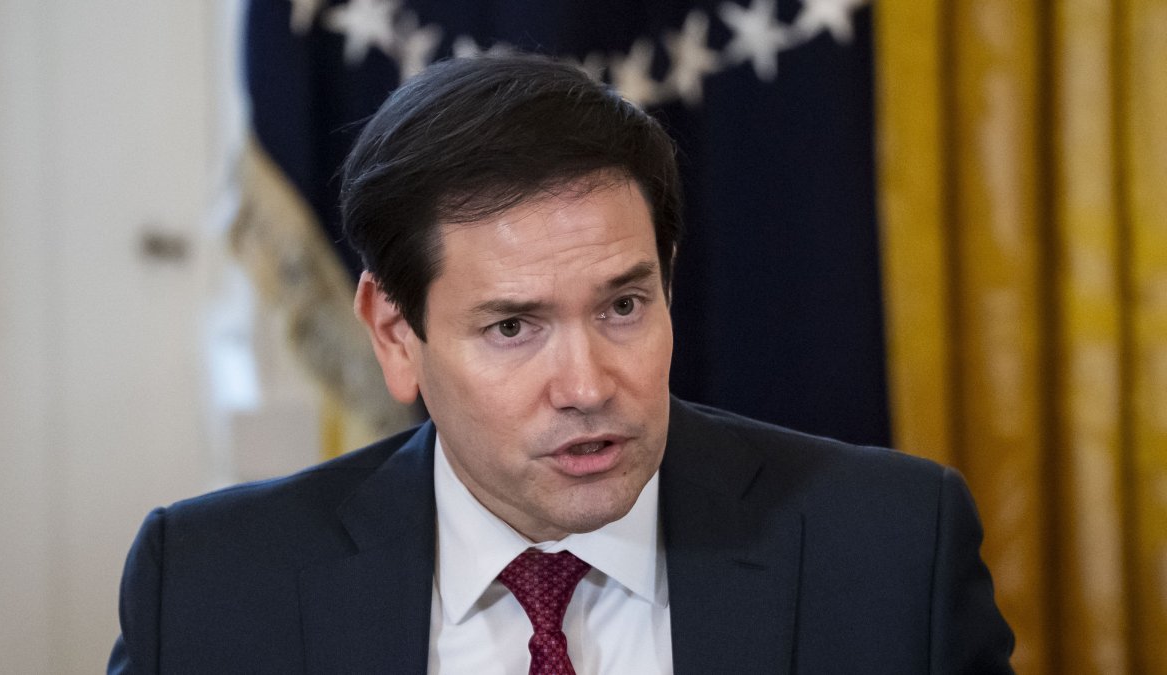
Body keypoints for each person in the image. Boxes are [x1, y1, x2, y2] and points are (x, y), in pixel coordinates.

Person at [109, 54, 1013, 674]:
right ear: (393, 333)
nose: (587, 387)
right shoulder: (209, 590)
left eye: (623, 306)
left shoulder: (892, 551)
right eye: (513, 327)